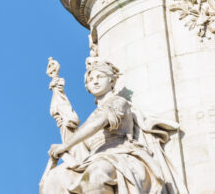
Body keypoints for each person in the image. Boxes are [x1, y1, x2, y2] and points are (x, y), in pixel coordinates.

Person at [43, 58, 186, 194]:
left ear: (111, 80)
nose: (95, 82)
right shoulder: (89, 122)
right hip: (96, 159)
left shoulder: (118, 102)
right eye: (91, 79)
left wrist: (65, 146)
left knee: (96, 174)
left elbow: (99, 122)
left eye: (100, 77)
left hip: (121, 155)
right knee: (54, 178)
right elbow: (79, 148)